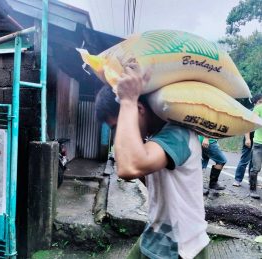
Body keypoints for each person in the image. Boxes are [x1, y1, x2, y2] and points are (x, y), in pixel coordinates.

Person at [95, 61, 209, 259]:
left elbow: (129, 168)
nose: (118, 134)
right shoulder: (155, 139)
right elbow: (147, 178)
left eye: (117, 126)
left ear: (138, 108)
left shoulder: (178, 134)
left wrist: (127, 100)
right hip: (157, 235)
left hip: (182, 249)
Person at [233, 94, 262, 187]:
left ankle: (251, 181)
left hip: (258, 140)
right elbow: (246, 127)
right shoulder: (250, 112)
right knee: (245, 160)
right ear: (254, 102)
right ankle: (238, 179)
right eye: (259, 102)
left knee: (254, 162)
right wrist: (247, 139)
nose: (260, 104)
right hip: (249, 138)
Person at [248, 94, 262, 199]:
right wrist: (248, 138)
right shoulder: (258, 108)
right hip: (259, 143)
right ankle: (253, 190)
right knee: (256, 168)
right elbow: (250, 122)